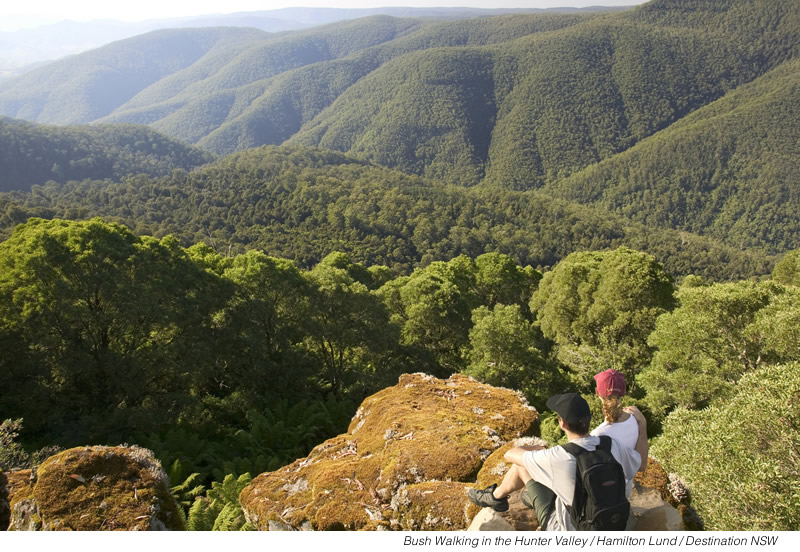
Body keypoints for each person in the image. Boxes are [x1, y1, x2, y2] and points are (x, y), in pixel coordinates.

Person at [468, 392, 647, 530]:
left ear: (562, 423)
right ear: (589, 420)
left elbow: (510, 455)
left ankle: (496, 498)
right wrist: (642, 426)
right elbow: (639, 463)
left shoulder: (558, 456)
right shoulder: (611, 446)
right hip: (612, 521)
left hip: (566, 530)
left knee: (521, 466)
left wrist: (537, 450)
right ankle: (513, 497)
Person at [591, 369, 648, 484]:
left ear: (597, 392)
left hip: (609, 493)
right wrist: (643, 425)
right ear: (624, 392)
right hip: (626, 488)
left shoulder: (597, 435)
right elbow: (642, 466)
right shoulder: (636, 420)